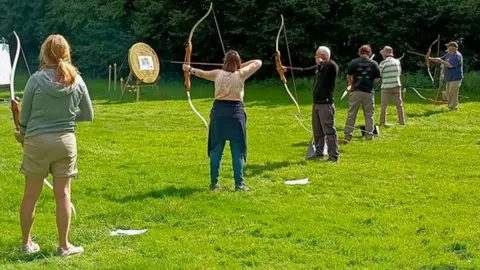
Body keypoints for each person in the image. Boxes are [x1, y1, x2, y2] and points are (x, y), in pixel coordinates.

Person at [14, 34, 93, 256]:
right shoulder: (77, 79)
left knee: (31, 195)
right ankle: (64, 246)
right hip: (65, 143)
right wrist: (66, 118)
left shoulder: (35, 80)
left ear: (44, 53)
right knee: (64, 195)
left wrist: (23, 132)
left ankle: (26, 244)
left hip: (37, 143)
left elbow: (25, 119)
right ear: (66, 53)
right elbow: (88, 115)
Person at [182, 51, 262, 191]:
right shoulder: (241, 74)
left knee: (216, 150)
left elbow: (200, 73)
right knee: (237, 151)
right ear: (238, 63)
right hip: (236, 115)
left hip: (219, 114)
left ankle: (214, 184)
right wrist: (239, 66)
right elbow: (258, 62)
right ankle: (239, 185)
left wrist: (188, 69)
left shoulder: (217, 73)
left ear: (224, 61)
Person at [282, 46, 339, 162]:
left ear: (322, 56)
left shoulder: (331, 66)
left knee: (329, 131)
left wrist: (323, 62)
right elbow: (304, 70)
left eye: (317, 55)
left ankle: (333, 156)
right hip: (316, 103)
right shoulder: (318, 67)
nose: (315, 57)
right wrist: (286, 69)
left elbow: (330, 64)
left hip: (326, 104)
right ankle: (319, 153)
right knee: (317, 131)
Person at [344, 45, 380, 141]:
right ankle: (369, 135)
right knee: (369, 114)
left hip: (356, 91)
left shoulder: (354, 62)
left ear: (360, 52)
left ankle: (348, 135)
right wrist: (370, 81)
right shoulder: (374, 63)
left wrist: (351, 84)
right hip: (368, 91)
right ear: (369, 53)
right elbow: (377, 79)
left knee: (352, 113)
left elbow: (349, 75)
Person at [428, 41, 463, 110]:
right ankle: (450, 105)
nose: (447, 48)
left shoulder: (457, 56)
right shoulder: (448, 54)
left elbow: (450, 66)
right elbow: (440, 59)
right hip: (449, 77)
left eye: (448, 47)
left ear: (453, 48)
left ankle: (453, 107)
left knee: (453, 93)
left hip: (455, 77)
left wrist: (442, 61)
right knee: (448, 93)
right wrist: (430, 59)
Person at [378, 46, 406, 126]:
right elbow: (399, 73)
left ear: (385, 54)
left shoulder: (383, 63)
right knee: (399, 105)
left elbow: (380, 74)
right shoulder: (397, 62)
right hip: (397, 86)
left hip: (386, 87)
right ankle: (402, 122)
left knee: (384, 106)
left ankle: (382, 122)